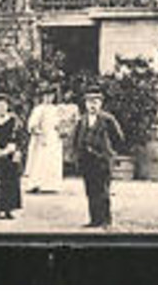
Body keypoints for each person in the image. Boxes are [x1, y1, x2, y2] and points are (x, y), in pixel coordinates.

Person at [71, 86, 125, 229]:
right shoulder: (81, 120)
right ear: (85, 103)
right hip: (86, 160)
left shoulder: (108, 119)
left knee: (103, 190)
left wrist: (111, 154)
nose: (92, 105)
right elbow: (76, 140)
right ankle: (94, 219)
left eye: (95, 101)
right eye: (89, 101)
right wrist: (76, 156)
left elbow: (119, 138)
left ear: (101, 103)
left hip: (102, 160)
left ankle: (106, 220)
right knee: (90, 190)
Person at [22, 87, 68, 193]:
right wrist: (38, 133)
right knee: (40, 161)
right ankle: (36, 184)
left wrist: (62, 129)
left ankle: (51, 185)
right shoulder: (38, 109)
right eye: (46, 95)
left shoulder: (56, 109)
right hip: (41, 137)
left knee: (52, 160)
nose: (48, 98)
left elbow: (60, 123)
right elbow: (32, 125)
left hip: (54, 138)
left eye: (51, 96)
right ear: (43, 96)